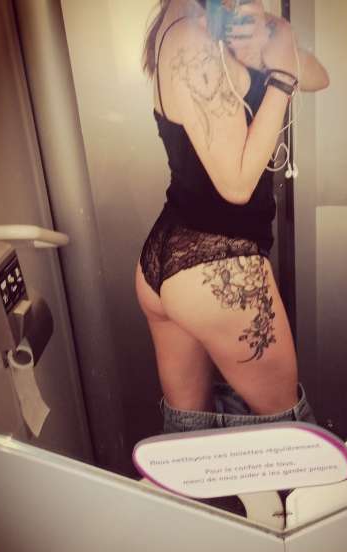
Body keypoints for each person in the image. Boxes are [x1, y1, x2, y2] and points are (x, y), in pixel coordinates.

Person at [136, 0, 329, 434]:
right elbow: (237, 185)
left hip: (171, 258)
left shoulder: (216, 23)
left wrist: (274, 35)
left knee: (191, 439)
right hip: (218, 265)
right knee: (291, 441)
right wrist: (280, 79)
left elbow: (319, 77)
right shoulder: (193, 38)